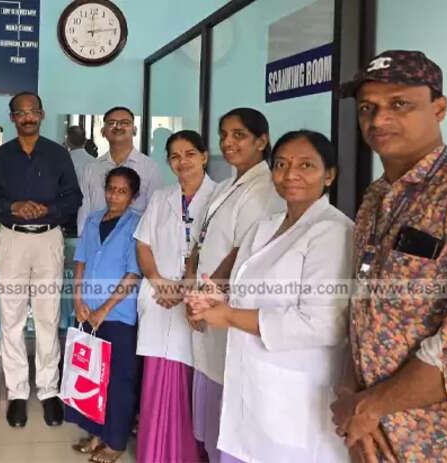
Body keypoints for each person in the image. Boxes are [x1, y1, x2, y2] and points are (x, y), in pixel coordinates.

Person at [330, 50, 447, 461]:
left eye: (399, 104)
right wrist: (352, 395)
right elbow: (363, 304)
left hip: (436, 439)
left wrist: (374, 405)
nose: (378, 119)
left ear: (439, 108)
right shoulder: (374, 197)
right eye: (368, 107)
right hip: (370, 435)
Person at [189, 130, 351, 462]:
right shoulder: (265, 227)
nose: (291, 174)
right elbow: (245, 291)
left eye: (306, 165)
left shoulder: (334, 232)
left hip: (296, 395)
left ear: (329, 175)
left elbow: (324, 325)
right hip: (251, 385)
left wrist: (230, 317)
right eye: (281, 164)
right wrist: (212, 301)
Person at [0, 91, 82, 428]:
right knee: (12, 317)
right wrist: (13, 208)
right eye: (20, 113)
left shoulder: (57, 155)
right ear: (12, 118)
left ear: (41, 114)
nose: (27, 117)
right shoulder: (0, 156)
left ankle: (49, 390)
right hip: (12, 239)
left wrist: (46, 210)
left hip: (49, 238)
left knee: (49, 316)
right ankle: (18, 392)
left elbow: (74, 198)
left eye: (33, 111)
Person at [187, 108, 285, 462]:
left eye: (239, 135)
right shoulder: (229, 185)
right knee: (211, 393)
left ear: (262, 141)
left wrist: (204, 299)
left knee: (227, 400)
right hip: (208, 302)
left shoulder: (265, 190)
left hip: (226, 308)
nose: (228, 142)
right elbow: (205, 239)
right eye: (224, 134)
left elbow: (241, 253)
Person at [134, 130, 217, 463]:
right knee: (156, 379)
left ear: (204, 156)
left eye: (190, 154)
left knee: (193, 380)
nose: (182, 162)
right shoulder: (161, 197)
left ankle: (187, 455)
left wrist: (183, 289)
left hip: (196, 300)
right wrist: (157, 281)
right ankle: (154, 453)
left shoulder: (219, 197)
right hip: (159, 297)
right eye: (175, 156)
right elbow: (143, 243)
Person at [67, 167, 142, 463]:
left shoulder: (136, 225)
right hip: (87, 312)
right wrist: (77, 301)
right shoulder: (94, 219)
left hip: (117, 315)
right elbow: (81, 262)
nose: (114, 195)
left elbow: (133, 273)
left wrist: (104, 309)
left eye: (122, 191)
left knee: (119, 381)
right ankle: (95, 432)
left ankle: (115, 441)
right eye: (111, 188)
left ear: (133, 195)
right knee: (89, 377)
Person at [77, 107, 164, 236]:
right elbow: (84, 210)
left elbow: (155, 213)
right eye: (111, 123)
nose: (118, 127)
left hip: (134, 243)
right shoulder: (91, 168)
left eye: (125, 123)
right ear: (103, 131)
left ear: (134, 130)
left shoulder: (150, 168)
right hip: (97, 241)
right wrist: (83, 244)